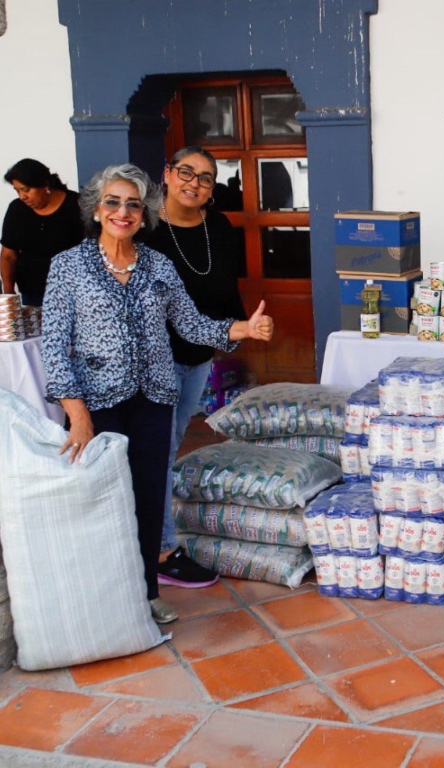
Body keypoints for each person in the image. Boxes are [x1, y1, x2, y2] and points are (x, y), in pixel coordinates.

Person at [41, 163, 274, 625]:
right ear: (96, 209)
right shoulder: (68, 266)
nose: (123, 212)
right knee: (100, 500)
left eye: (133, 204)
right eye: (113, 202)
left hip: (153, 399)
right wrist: (78, 415)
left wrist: (240, 329)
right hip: (98, 405)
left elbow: (188, 323)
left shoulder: (157, 265)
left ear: (144, 213)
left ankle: (145, 593)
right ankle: (103, 601)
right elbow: (53, 345)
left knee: (148, 498)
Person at [146, 146, 246, 589]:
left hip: (197, 353)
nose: (194, 183)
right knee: (159, 449)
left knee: (171, 443)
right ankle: (162, 552)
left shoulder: (218, 226)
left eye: (205, 178)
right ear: (167, 174)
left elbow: (225, 283)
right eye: (186, 172)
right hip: (152, 360)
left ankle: (157, 542)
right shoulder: (144, 228)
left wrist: (240, 328)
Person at [1, 159, 82, 305]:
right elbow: (8, 256)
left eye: (26, 190)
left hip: (73, 294)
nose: (22, 196)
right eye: (17, 190)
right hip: (32, 295)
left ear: (45, 185)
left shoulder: (77, 206)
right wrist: (9, 293)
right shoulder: (17, 209)